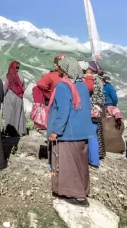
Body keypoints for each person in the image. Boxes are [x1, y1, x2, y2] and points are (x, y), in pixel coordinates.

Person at [47, 56, 94, 207]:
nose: (58, 70)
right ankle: (82, 190)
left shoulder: (63, 86)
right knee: (80, 163)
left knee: (68, 164)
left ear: (65, 69)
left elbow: (63, 111)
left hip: (68, 132)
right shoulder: (82, 86)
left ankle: (74, 195)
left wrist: (56, 131)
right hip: (83, 131)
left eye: (61, 67)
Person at [79, 60, 106, 168]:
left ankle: (85, 159)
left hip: (88, 111)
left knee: (86, 135)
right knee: (93, 135)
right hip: (97, 110)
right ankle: (94, 161)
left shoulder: (88, 80)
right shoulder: (99, 80)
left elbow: (87, 90)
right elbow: (101, 97)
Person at [3, 61, 26, 137]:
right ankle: (20, 131)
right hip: (19, 97)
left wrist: (2, 95)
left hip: (10, 96)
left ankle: (9, 131)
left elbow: (5, 87)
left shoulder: (9, 76)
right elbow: (23, 87)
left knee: (9, 114)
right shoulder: (21, 74)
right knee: (18, 113)